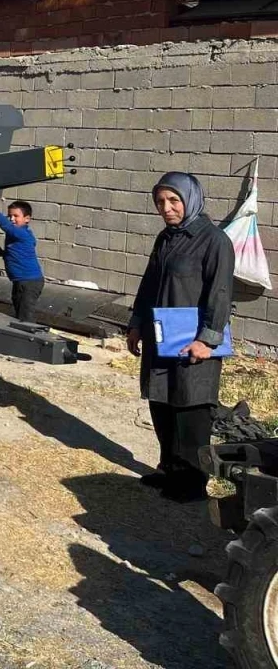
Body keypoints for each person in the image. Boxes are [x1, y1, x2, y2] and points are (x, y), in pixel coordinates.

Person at [127, 171, 234, 503]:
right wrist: (136, 323)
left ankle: (191, 483)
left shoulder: (214, 241)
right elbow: (148, 284)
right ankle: (168, 469)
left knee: (190, 408)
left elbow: (220, 294)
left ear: (191, 199)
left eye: (174, 200)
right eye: (160, 201)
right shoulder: (166, 238)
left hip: (193, 341)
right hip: (161, 336)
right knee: (162, 402)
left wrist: (207, 340)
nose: (166, 207)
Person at [0, 198, 45, 322]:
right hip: (19, 281)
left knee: (25, 317)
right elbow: (17, 252)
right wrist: (2, 253)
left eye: (16, 216)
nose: (11, 219)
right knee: (20, 312)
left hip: (29, 282)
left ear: (27, 219)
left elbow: (6, 226)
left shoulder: (21, 233)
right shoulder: (15, 235)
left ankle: (27, 333)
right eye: (9, 216)